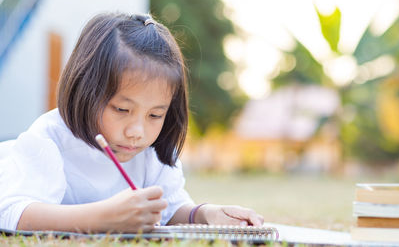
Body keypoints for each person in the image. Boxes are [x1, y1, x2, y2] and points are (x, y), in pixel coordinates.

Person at [0, 13, 264, 233]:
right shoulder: (48, 141)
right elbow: (14, 213)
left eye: (155, 115)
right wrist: (101, 218)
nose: (137, 132)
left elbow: (169, 212)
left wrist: (206, 214)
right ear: (84, 89)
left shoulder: (151, 153)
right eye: (122, 109)